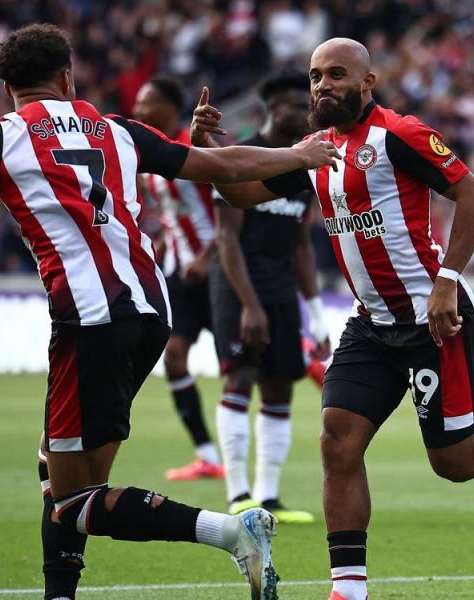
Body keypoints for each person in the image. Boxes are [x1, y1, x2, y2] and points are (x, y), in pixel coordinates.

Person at [0, 24, 342, 600]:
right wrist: (295, 154)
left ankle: (231, 531)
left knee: (73, 501)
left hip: (90, 321)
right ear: (67, 77)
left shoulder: (0, 141)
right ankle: (60, 594)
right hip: (149, 309)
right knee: (65, 470)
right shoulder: (116, 128)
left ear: (6, 89)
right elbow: (222, 166)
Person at [191, 38, 474, 600]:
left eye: (335, 74)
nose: (322, 85)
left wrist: (447, 280)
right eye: (314, 76)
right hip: (371, 323)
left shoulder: (400, 135)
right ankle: (348, 591)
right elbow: (244, 193)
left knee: (456, 461)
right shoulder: (314, 149)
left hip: (433, 318)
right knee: (337, 440)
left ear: (367, 82)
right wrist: (202, 149)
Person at [209, 71, 330, 524]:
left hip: (281, 290)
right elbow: (226, 239)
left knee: (280, 385)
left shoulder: (305, 170)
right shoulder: (242, 158)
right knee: (240, 378)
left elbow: (302, 246)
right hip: (238, 287)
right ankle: (238, 494)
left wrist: (316, 316)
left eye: (308, 105)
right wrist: (250, 305)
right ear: (270, 110)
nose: (304, 113)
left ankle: (269, 498)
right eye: (294, 105)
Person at [132, 75, 224, 481]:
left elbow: (231, 209)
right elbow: (170, 216)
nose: (138, 110)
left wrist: (207, 255)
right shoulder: (153, 157)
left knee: (242, 368)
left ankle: (308, 352)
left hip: (219, 269)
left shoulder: (194, 146)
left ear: (169, 108)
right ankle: (207, 455)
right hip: (180, 277)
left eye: (145, 102)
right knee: (174, 358)